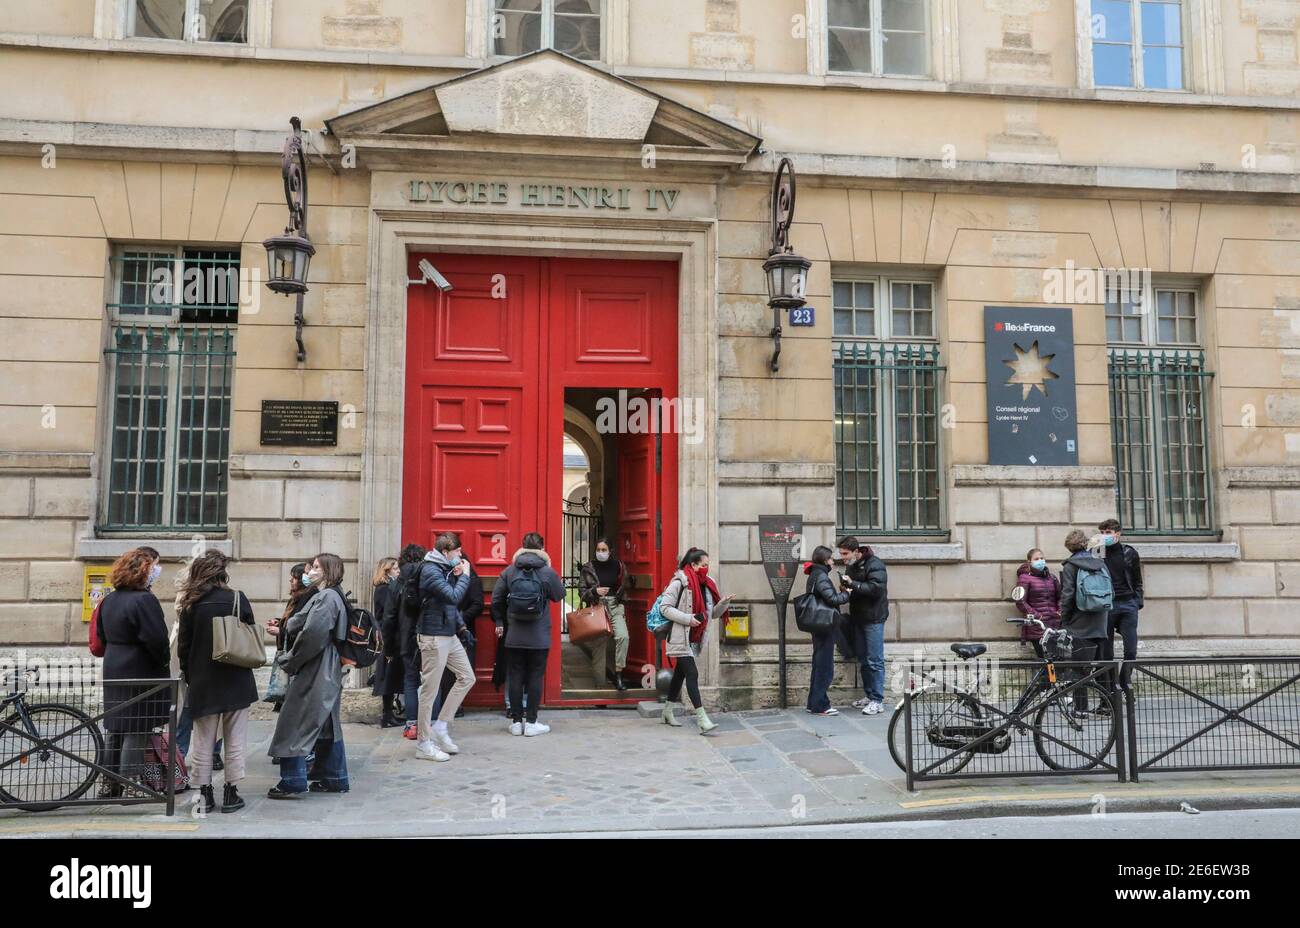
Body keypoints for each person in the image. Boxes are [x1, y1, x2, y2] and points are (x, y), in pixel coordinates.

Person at [176, 550, 257, 814]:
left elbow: (183, 648)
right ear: (223, 572)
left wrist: (190, 676)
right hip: (236, 679)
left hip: (203, 681)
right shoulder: (237, 598)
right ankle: (232, 794)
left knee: (203, 740)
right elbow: (248, 632)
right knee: (235, 739)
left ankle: (204, 794)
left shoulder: (190, 604)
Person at [267, 553, 350, 798]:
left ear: (327, 571)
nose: (310, 572)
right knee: (326, 722)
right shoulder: (333, 595)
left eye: (315, 567)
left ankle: (292, 780)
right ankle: (334, 776)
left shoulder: (326, 597)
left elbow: (313, 635)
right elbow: (302, 622)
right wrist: (287, 626)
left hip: (317, 667)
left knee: (294, 720)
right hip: (327, 666)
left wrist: (290, 660)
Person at [97, 547, 170, 796]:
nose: (156, 572)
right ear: (143, 571)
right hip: (140, 668)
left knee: (116, 726)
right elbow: (157, 640)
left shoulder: (109, 599)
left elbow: (101, 636)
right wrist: (163, 662)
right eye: (153, 567)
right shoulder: (144, 600)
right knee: (137, 727)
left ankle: (109, 783)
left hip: (114, 665)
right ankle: (132, 784)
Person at [491, 533, 564, 737]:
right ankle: (531, 722)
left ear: (522, 546)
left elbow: (496, 599)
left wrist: (499, 620)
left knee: (514, 676)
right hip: (539, 636)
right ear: (542, 547)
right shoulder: (547, 572)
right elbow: (559, 595)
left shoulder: (510, 571)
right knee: (535, 676)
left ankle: (516, 722)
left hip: (514, 635)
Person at [413, 533, 476, 761]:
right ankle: (423, 742)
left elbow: (449, 608)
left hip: (449, 634)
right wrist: (464, 576)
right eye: (458, 552)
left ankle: (440, 726)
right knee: (429, 691)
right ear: (446, 551)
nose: (460, 556)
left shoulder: (444, 569)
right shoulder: (431, 569)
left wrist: (461, 628)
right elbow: (453, 597)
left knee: (467, 677)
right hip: (432, 636)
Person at [659, 547, 732, 734]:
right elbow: (664, 608)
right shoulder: (679, 582)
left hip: (693, 639)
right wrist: (687, 618)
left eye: (708, 565)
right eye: (704, 565)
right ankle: (702, 719)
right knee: (692, 674)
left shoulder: (707, 584)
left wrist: (723, 604)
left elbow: (711, 615)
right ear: (693, 564)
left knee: (679, 675)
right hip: (679, 637)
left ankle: (667, 711)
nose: (707, 568)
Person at [1059, 531, 1112, 715]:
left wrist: (1064, 620)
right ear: (1085, 544)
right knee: (1102, 665)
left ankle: (1081, 708)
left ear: (1069, 547)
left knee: (1078, 667)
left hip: (1079, 622)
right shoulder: (1100, 563)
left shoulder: (1070, 566)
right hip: (1100, 619)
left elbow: (1067, 595)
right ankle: (1107, 704)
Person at [836, 536, 889, 716]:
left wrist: (853, 584)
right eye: (841, 554)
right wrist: (845, 588)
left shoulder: (875, 564)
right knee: (864, 659)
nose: (842, 557)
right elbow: (855, 589)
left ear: (856, 551)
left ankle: (878, 700)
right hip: (858, 618)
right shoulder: (851, 566)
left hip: (874, 619)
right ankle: (869, 695)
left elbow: (876, 589)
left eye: (845, 553)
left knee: (875, 659)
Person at [576, 537, 632, 691]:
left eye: (604, 550)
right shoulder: (588, 567)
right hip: (597, 606)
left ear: (610, 551)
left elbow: (624, 586)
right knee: (599, 646)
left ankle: (619, 674)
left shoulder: (618, 566)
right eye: (598, 550)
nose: (601, 553)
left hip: (615, 605)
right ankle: (600, 684)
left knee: (623, 637)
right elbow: (581, 591)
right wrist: (594, 591)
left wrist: (621, 604)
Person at [385, 543, 427, 742]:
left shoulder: (396, 583)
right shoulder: (427, 576)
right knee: (430, 682)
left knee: (410, 681)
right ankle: (430, 724)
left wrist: (388, 646)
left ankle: (411, 725)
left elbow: (389, 618)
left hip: (405, 638)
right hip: (428, 635)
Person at [803, 546, 851, 716]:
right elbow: (832, 599)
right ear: (825, 560)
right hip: (825, 625)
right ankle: (820, 705)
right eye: (831, 559)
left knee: (818, 664)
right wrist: (847, 594)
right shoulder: (821, 576)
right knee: (825, 666)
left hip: (818, 625)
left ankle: (813, 703)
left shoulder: (814, 574)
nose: (832, 562)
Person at [433, 550, 480, 720]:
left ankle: (454, 707)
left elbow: (477, 604)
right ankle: (439, 712)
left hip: (462, 632)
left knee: (462, 674)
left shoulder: (472, 580)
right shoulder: (444, 579)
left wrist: (460, 621)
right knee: (442, 672)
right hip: (443, 630)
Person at [1098, 518, 1143, 690]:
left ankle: (1124, 684)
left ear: (1118, 533)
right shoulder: (1097, 553)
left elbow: (1138, 580)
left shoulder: (1129, 553)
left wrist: (1137, 602)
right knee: (1106, 653)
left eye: (1108, 533)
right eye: (1102, 533)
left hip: (1128, 604)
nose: (1104, 536)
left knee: (1131, 650)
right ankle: (1110, 691)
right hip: (1107, 605)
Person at [369, 557, 405, 728]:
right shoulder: (384, 589)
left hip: (390, 635)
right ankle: (387, 716)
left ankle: (389, 714)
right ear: (386, 570)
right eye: (395, 568)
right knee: (387, 675)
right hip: (387, 636)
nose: (398, 571)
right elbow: (387, 614)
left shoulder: (389, 587)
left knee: (391, 675)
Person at [1015, 547, 1062, 658]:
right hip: (1038, 627)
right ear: (1029, 562)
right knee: (1046, 660)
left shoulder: (1052, 578)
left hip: (1055, 625)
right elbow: (1020, 601)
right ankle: (1043, 676)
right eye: (1036, 559)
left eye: (1042, 558)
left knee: (1056, 661)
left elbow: (1061, 597)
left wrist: (1060, 611)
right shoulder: (1024, 578)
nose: (1040, 561)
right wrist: (1037, 616)